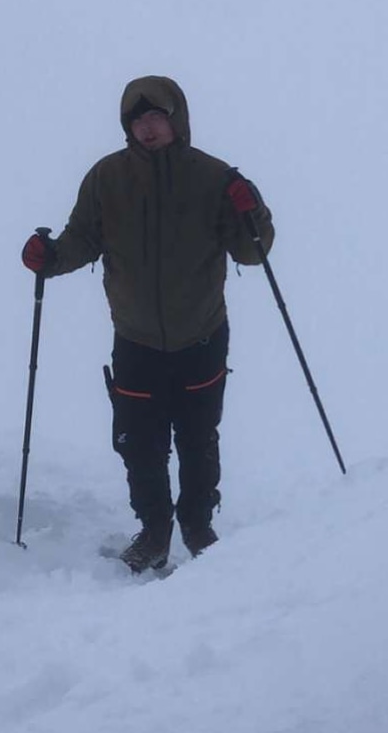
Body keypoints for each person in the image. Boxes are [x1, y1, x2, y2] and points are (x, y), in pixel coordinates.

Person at [21, 75, 274, 573]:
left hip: (200, 334)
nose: (148, 127)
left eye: (156, 116)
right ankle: (155, 528)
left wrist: (253, 209)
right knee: (139, 441)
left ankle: (198, 526)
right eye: (138, 120)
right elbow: (80, 240)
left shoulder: (215, 177)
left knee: (198, 437)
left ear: (177, 119)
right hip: (135, 338)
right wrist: (49, 257)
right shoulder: (106, 179)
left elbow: (252, 250)